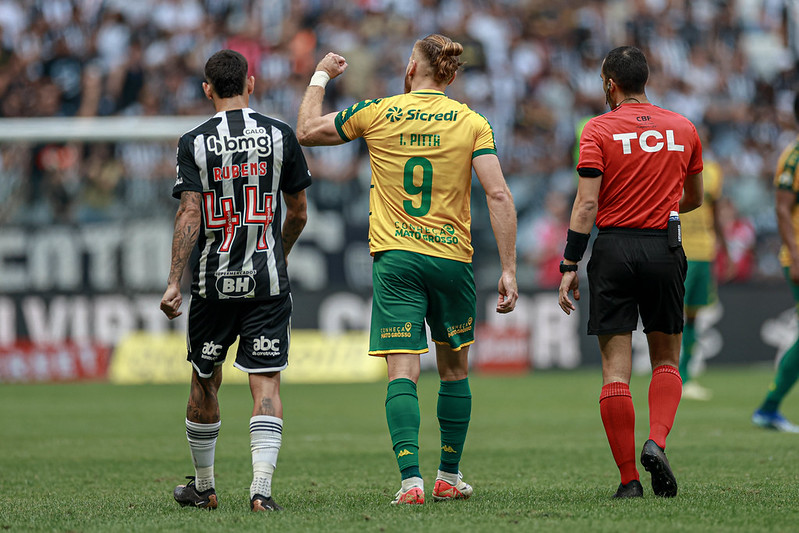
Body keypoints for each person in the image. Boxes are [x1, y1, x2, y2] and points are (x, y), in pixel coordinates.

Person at [295, 34, 518, 505]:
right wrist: (510, 268)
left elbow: (306, 130)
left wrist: (320, 75)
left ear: (413, 69)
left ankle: (411, 481)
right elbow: (497, 195)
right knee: (454, 370)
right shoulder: (471, 121)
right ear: (448, 74)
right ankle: (448, 477)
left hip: (396, 258)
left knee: (403, 370)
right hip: (451, 258)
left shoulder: (379, 111)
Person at [159, 49, 311, 512]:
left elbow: (189, 212)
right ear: (252, 83)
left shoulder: (194, 141)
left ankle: (204, 487)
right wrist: (276, 256)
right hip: (266, 282)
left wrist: (172, 282)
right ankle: (261, 492)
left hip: (212, 283)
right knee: (265, 383)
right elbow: (299, 212)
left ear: (207, 89)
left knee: (205, 380)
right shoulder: (280, 135)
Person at [558, 46, 703, 499]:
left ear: (609, 83)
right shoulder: (683, 127)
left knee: (614, 372)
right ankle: (656, 442)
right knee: (666, 358)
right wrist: (657, 204)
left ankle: (628, 482)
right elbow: (692, 197)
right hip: (664, 245)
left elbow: (586, 203)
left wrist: (568, 263)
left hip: (614, 248)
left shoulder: (597, 129)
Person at [751, 93, 799, 433]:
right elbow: (782, 208)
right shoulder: (793, 156)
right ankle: (768, 407)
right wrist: (795, 254)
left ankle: (769, 407)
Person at [679, 155, 727, 401]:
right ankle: (673, 376)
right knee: (675, 314)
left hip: (705, 250)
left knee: (694, 316)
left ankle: (686, 375)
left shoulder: (714, 170)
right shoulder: (671, 162)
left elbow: (716, 212)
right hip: (678, 250)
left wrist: (725, 248)